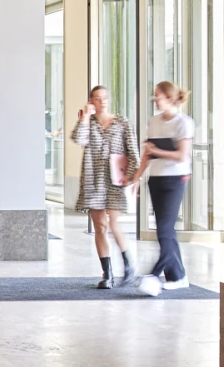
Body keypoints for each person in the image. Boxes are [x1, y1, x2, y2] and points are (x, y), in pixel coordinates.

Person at [73, 85, 138, 288]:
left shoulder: (121, 123)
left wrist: (131, 176)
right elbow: (79, 139)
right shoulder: (88, 123)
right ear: (91, 101)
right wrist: (85, 116)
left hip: (114, 180)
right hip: (93, 179)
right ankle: (107, 274)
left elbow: (133, 151)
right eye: (97, 98)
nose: (102, 102)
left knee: (114, 223)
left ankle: (128, 265)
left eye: (104, 98)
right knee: (100, 226)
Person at [136, 82, 194, 296]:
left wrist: (157, 151)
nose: (155, 99)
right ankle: (177, 277)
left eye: (158, 96)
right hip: (156, 179)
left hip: (175, 179)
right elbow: (147, 153)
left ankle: (153, 274)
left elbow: (181, 155)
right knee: (166, 232)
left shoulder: (184, 123)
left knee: (165, 230)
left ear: (170, 98)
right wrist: (136, 177)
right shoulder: (153, 122)